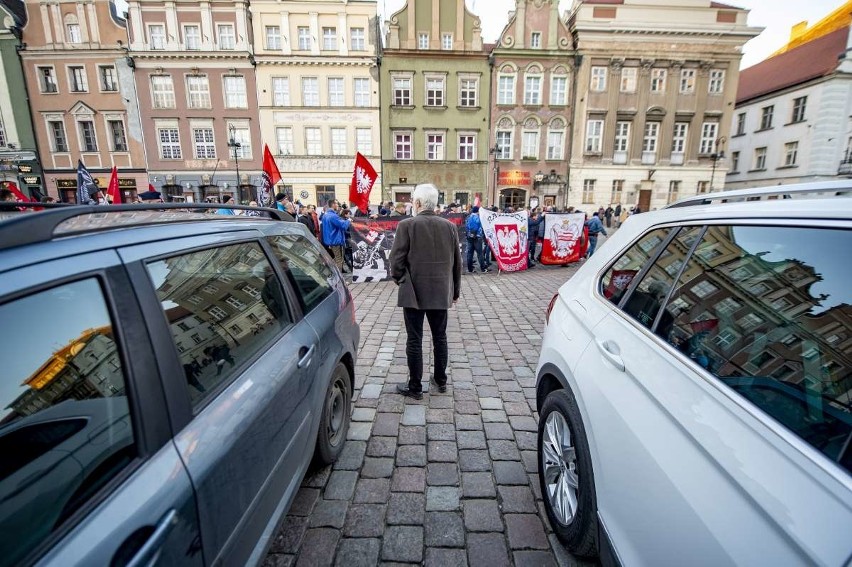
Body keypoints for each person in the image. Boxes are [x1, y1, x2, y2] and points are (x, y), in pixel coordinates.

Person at [389, 183, 462, 399]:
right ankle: (440, 380)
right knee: (440, 337)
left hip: (413, 292)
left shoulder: (407, 225)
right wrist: (454, 291)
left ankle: (415, 387)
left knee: (414, 339)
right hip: (440, 292)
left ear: (418, 203)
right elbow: (457, 264)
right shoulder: (449, 226)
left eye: (413, 200)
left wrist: (401, 280)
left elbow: (396, 261)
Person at [321, 199, 351, 271]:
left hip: (330, 240)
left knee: (336, 258)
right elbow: (343, 226)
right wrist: (348, 220)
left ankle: (330, 272)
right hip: (336, 240)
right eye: (337, 204)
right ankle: (339, 280)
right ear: (333, 204)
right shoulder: (333, 216)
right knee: (339, 260)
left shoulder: (325, 215)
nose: (338, 205)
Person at [465, 205, 489, 273]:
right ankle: (483, 268)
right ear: (478, 211)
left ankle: (470, 269)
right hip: (477, 237)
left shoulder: (468, 217)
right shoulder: (478, 218)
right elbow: (479, 227)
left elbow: (466, 227)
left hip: (469, 237)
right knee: (480, 253)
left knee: (470, 253)